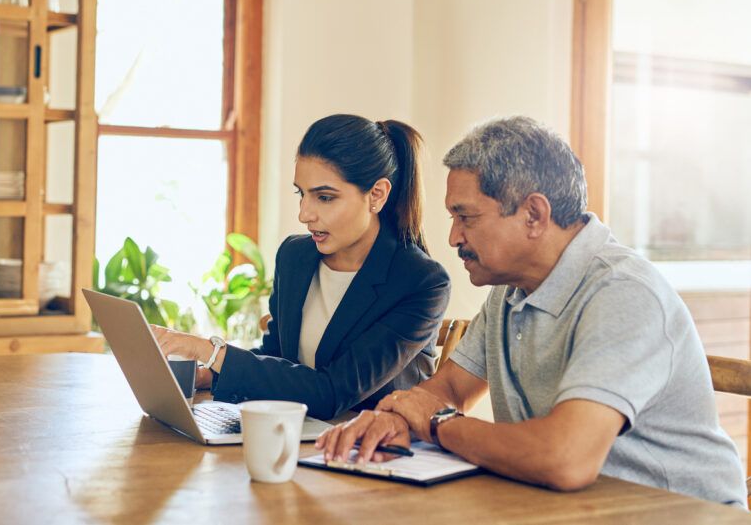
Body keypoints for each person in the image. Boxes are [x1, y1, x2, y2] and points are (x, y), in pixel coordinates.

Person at [317, 116, 747, 507]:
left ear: (534, 215)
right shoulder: (510, 291)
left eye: (466, 217)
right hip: (575, 509)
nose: (453, 237)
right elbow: (447, 388)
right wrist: (399, 416)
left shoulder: (624, 294)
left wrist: (438, 423)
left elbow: (565, 459)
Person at [151, 114, 451, 420]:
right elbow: (276, 359)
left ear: (377, 194)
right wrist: (209, 375)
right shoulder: (295, 256)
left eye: (324, 197)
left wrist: (210, 351)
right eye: (301, 194)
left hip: (374, 444)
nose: (304, 214)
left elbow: (332, 392)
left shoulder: (421, 282)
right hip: (297, 433)